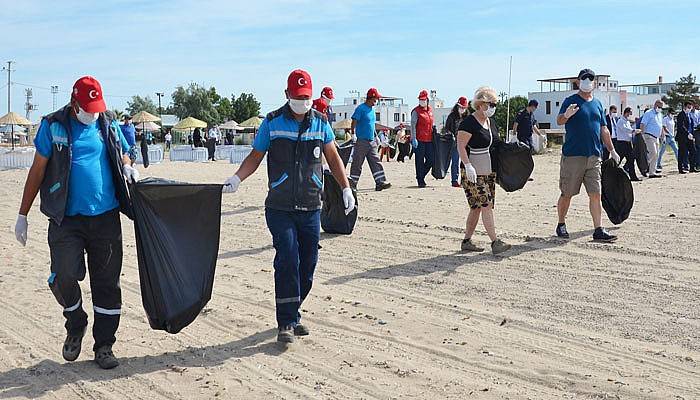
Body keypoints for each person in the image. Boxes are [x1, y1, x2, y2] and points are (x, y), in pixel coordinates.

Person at [13, 76, 139, 369]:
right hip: (65, 219)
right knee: (64, 274)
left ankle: (104, 345)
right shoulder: (53, 125)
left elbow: (123, 153)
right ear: (74, 103)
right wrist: (23, 214)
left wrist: (129, 168)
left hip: (106, 218)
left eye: (97, 107)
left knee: (107, 284)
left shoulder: (106, 122)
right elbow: (37, 170)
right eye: (88, 108)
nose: (92, 113)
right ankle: (75, 321)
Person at [221, 69, 355, 343]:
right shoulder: (272, 123)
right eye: (297, 97)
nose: (302, 102)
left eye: (306, 97)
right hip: (279, 208)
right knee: (287, 259)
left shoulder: (321, 123)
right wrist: (237, 178)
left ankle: (293, 313)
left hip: (310, 207)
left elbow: (333, 157)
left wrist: (345, 188)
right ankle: (285, 323)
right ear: (287, 95)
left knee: (308, 263)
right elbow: (255, 156)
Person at [555, 68, 620, 242]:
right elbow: (559, 120)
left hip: (594, 156)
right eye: (584, 78)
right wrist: (566, 115)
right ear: (578, 81)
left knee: (595, 194)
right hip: (573, 156)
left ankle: (598, 229)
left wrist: (612, 150)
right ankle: (561, 224)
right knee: (567, 193)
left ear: (594, 82)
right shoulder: (570, 100)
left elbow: (603, 128)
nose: (587, 81)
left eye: (590, 79)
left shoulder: (598, 104)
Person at [456, 87, 511, 255]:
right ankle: (495, 242)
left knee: (477, 207)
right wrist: (467, 165)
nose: (493, 107)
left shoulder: (490, 122)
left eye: (495, 104)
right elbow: (460, 146)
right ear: (480, 104)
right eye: (491, 104)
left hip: (488, 172)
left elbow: (496, 144)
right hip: (473, 173)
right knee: (485, 204)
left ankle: (466, 241)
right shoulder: (468, 123)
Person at [348, 88, 392, 191]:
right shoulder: (360, 109)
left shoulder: (372, 110)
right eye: (375, 99)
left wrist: (376, 136)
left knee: (376, 161)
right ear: (370, 98)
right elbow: (354, 121)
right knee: (357, 163)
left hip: (371, 141)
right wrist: (353, 134)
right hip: (361, 141)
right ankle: (352, 185)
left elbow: (371, 126)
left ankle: (380, 182)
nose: (376, 102)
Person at [411, 89, 435, 187]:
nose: (422, 101)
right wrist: (413, 138)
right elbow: (413, 125)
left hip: (429, 140)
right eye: (420, 100)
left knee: (431, 160)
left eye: (424, 100)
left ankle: (421, 175)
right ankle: (420, 180)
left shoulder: (430, 110)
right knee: (419, 161)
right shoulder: (416, 111)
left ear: (427, 100)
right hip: (419, 140)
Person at [444, 97, 470, 187]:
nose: (462, 109)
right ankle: (454, 180)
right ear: (457, 106)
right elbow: (447, 128)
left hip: (466, 142)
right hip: (455, 142)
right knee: (455, 161)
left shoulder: (468, 117)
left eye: (464, 108)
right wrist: (451, 135)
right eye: (461, 107)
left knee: (464, 162)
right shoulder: (452, 116)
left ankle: (464, 180)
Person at [640, 100, 665, 178]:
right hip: (649, 136)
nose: (660, 108)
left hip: (656, 137)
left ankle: (652, 172)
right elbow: (642, 124)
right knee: (653, 153)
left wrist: (662, 136)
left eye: (661, 107)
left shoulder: (660, 114)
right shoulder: (648, 113)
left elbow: (661, 126)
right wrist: (643, 135)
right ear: (655, 105)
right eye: (659, 107)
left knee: (656, 154)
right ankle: (644, 165)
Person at [615, 107, 642, 181]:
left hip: (628, 143)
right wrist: (634, 131)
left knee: (631, 160)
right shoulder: (621, 121)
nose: (630, 115)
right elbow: (625, 130)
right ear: (626, 112)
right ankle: (611, 174)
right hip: (621, 143)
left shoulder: (627, 121)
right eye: (630, 113)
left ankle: (633, 177)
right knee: (618, 160)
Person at [677, 101, 696, 173]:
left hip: (690, 137)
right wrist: (687, 133)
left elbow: (691, 126)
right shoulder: (680, 115)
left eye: (690, 107)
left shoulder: (689, 115)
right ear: (685, 107)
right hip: (683, 137)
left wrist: (692, 135)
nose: (689, 108)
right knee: (682, 153)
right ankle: (680, 169)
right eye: (688, 107)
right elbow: (681, 126)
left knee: (693, 151)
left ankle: (692, 167)